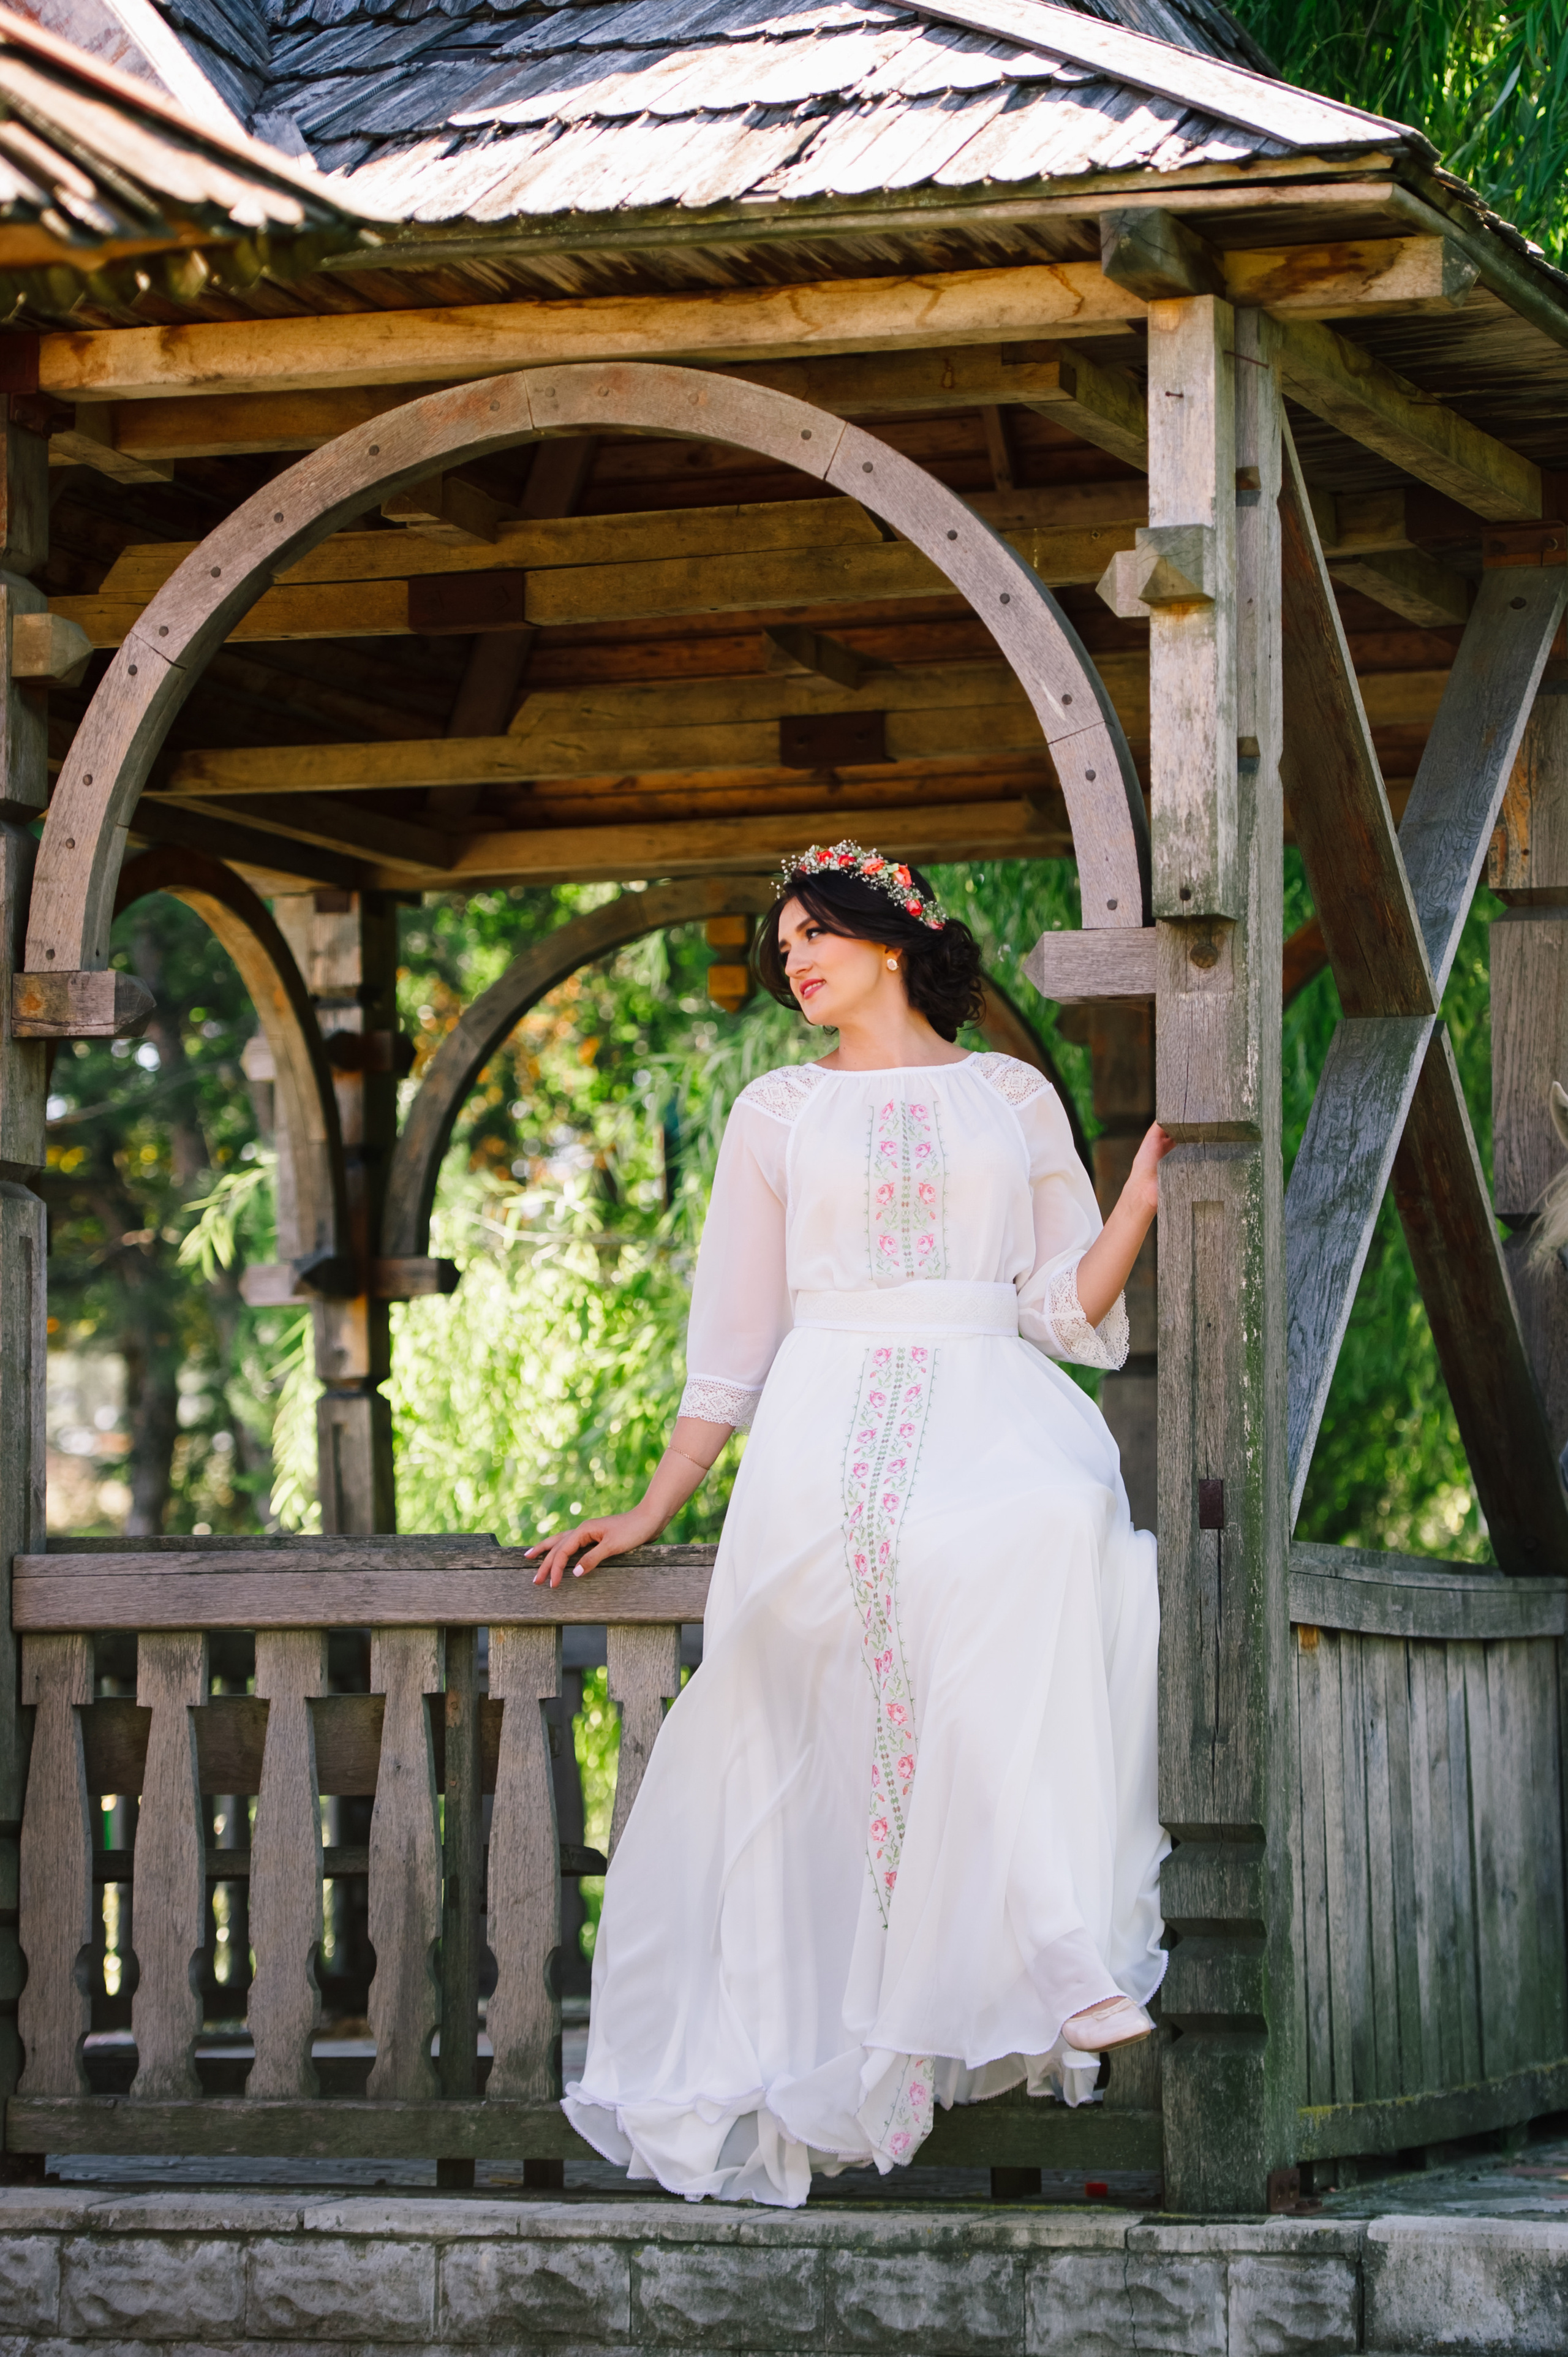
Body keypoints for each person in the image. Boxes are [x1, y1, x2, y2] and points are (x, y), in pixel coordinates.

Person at [528, 842, 1172, 2206]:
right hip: (825, 1424)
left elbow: (1060, 1308)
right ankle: (1042, 1964)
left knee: (1051, 1533)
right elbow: (734, 1340)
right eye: (782, 948)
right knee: (891, 1605)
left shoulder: (1008, 1094)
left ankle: (1043, 1948)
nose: (794, 959)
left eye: (815, 933)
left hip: (991, 1402)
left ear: (892, 939)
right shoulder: (774, 1113)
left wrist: (1140, 1201)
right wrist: (656, 1503)